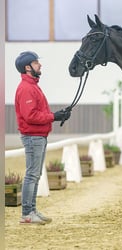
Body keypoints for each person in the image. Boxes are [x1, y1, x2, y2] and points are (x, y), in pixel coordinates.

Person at [14, 51, 71, 225]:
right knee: (32, 174)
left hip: (38, 136)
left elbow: (38, 112)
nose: (40, 65)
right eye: (36, 63)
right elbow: (30, 116)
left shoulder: (33, 86)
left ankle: (31, 210)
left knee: (35, 174)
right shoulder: (26, 88)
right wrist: (54, 116)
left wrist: (57, 115)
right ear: (28, 67)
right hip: (33, 136)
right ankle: (27, 213)